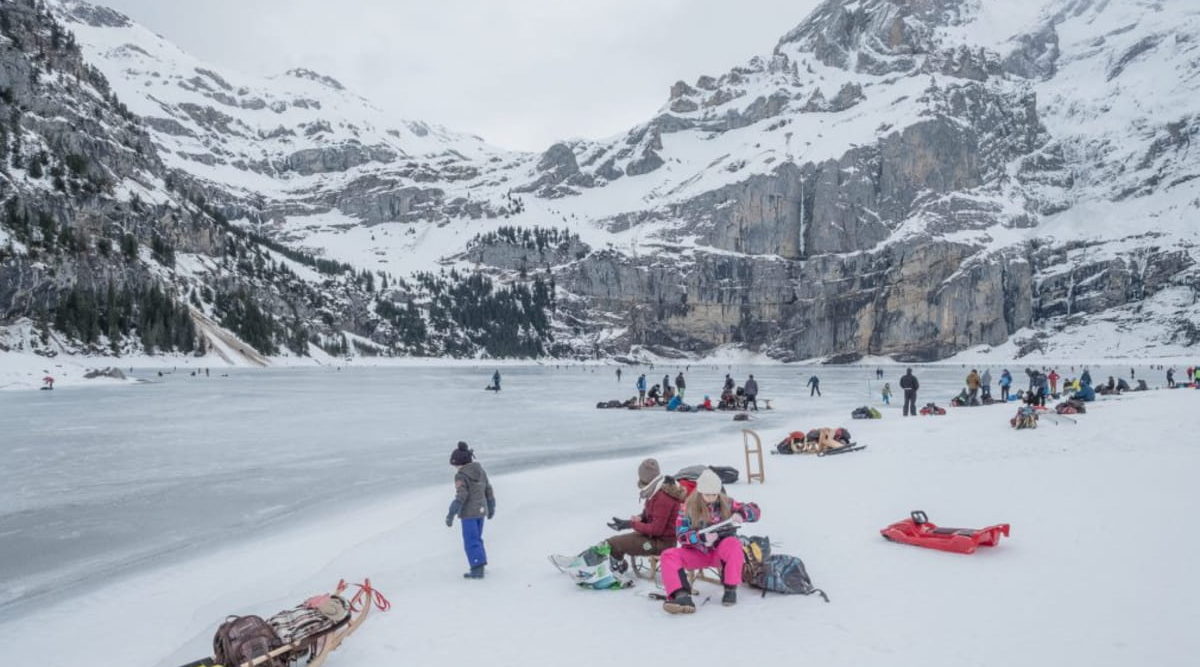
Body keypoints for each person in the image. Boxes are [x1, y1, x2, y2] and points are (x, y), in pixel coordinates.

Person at [659, 470, 760, 614]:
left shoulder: (727, 502)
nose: (712, 498)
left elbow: (755, 510)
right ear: (700, 492)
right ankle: (681, 596)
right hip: (697, 553)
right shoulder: (687, 508)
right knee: (668, 555)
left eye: (714, 494)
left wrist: (742, 513)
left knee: (734, 544)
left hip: (720, 552)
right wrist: (700, 538)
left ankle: (730, 589)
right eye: (708, 494)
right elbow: (681, 536)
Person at [604, 459, 688, 560]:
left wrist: (631, 524)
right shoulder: (656, 491)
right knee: (614, 542)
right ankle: (617, 564)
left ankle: (617, 566)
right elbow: (649, 515)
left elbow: (656, 530)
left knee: (614, 543)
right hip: (653, 538)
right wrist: (634, 520)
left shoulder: (662, 498)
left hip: (662, 544)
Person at [445, 442, 495, 579]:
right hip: (481, 511)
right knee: (477, 539)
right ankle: (480, 565)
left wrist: (451, 513)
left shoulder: (461, 476)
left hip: (469, 514)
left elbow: (461, 496)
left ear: (460, 463)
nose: (455, 468)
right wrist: (491, 506)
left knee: (471, 541)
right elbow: (488, 489)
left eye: (455, 465)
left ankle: (477, 568)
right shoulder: (480, 470)